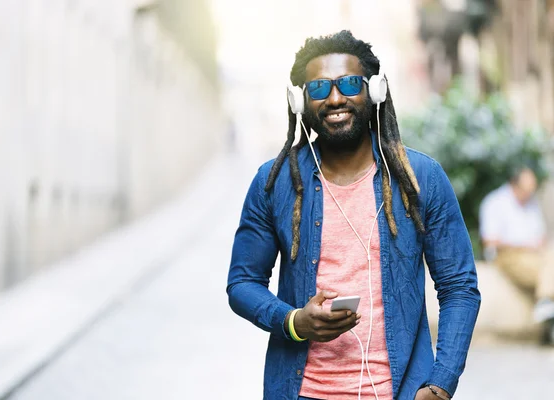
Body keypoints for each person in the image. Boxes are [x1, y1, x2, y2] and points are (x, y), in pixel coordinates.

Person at [227, 31, 480, 400]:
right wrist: (294, 321)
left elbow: (459, 287)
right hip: (301, 391)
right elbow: (242, 283)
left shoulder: (420, 179)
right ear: (299, 101)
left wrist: (440, 384)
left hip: (399, 391)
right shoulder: (275, 182)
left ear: (374, 91)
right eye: (318, 89)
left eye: (348, 84)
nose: (334, 99)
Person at [479, 166, 554, 341]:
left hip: (535, 256)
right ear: (514, 184)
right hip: (507, 256)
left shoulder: (531, 204)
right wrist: (524, 245)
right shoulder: (495, 202)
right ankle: (546, 301)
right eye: (526, 189)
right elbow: (490, 241)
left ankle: (546, 302)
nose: (529, 193)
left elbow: (541, 236)